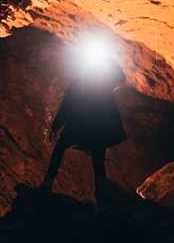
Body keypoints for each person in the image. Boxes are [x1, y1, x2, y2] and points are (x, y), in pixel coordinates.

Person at [41, 54, 127, 203]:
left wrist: (56, 126)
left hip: (79, 123)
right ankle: (101, 189)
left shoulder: (82, 83)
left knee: (61, 147)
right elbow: (120, 79)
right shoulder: (101, 85)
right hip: (95, 125)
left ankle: (48, 181)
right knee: (97, 153)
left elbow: (66, 106)